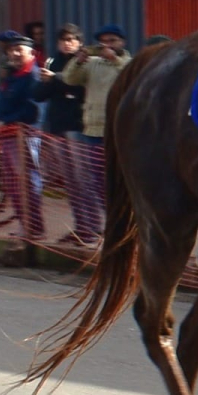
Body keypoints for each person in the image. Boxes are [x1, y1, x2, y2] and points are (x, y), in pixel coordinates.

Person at [62, 24, 132, 237]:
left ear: (122, 42)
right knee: (98, 181)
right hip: (93, 131)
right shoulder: (92, 63)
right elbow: (69, 78)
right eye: (104, 41)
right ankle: (110, 222)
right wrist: (78, 60)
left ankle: (125, 224)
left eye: (112, 41)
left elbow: (131, 76)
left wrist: (114, 59)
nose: (107, 45)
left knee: (120, 181)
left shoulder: (128, 63)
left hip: (119, 131)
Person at [32, 23, 97, 247]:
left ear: (79, 42)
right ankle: (80, 226)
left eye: (71, 39)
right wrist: (50, 82)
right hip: (57, 128)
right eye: (63, 40)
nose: (67, 44)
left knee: (83, 180)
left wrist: (57, 80)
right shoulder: (53, 62)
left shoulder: (85, 62)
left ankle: (92, 227)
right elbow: (39, 94)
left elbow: (80, 89)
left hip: (77, 127)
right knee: (70, 182)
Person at [0, 31, 44, 240]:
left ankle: (34, 227)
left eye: (19, 49)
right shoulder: (13, 76)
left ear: (31, 52)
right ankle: (24, 224)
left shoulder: (33, 76)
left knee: (27, 182)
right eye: (11, 50)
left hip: (24, 136)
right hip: (7, 136)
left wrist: (5, 121)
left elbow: (33, 110)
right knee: (13, 184)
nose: (14, 54)